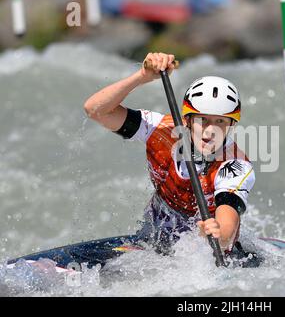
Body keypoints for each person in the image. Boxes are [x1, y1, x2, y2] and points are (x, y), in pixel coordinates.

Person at [83, 52, 261, 267]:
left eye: (221, 122)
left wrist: (218, 234)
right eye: (202, 120)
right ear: (186, 120)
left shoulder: (234, 165)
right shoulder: (159, 129)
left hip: (201, 255)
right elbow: (95, 110)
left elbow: (227, 227)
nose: (210, 131)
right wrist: (141, 76)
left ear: (231, 126)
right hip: (151, 242)